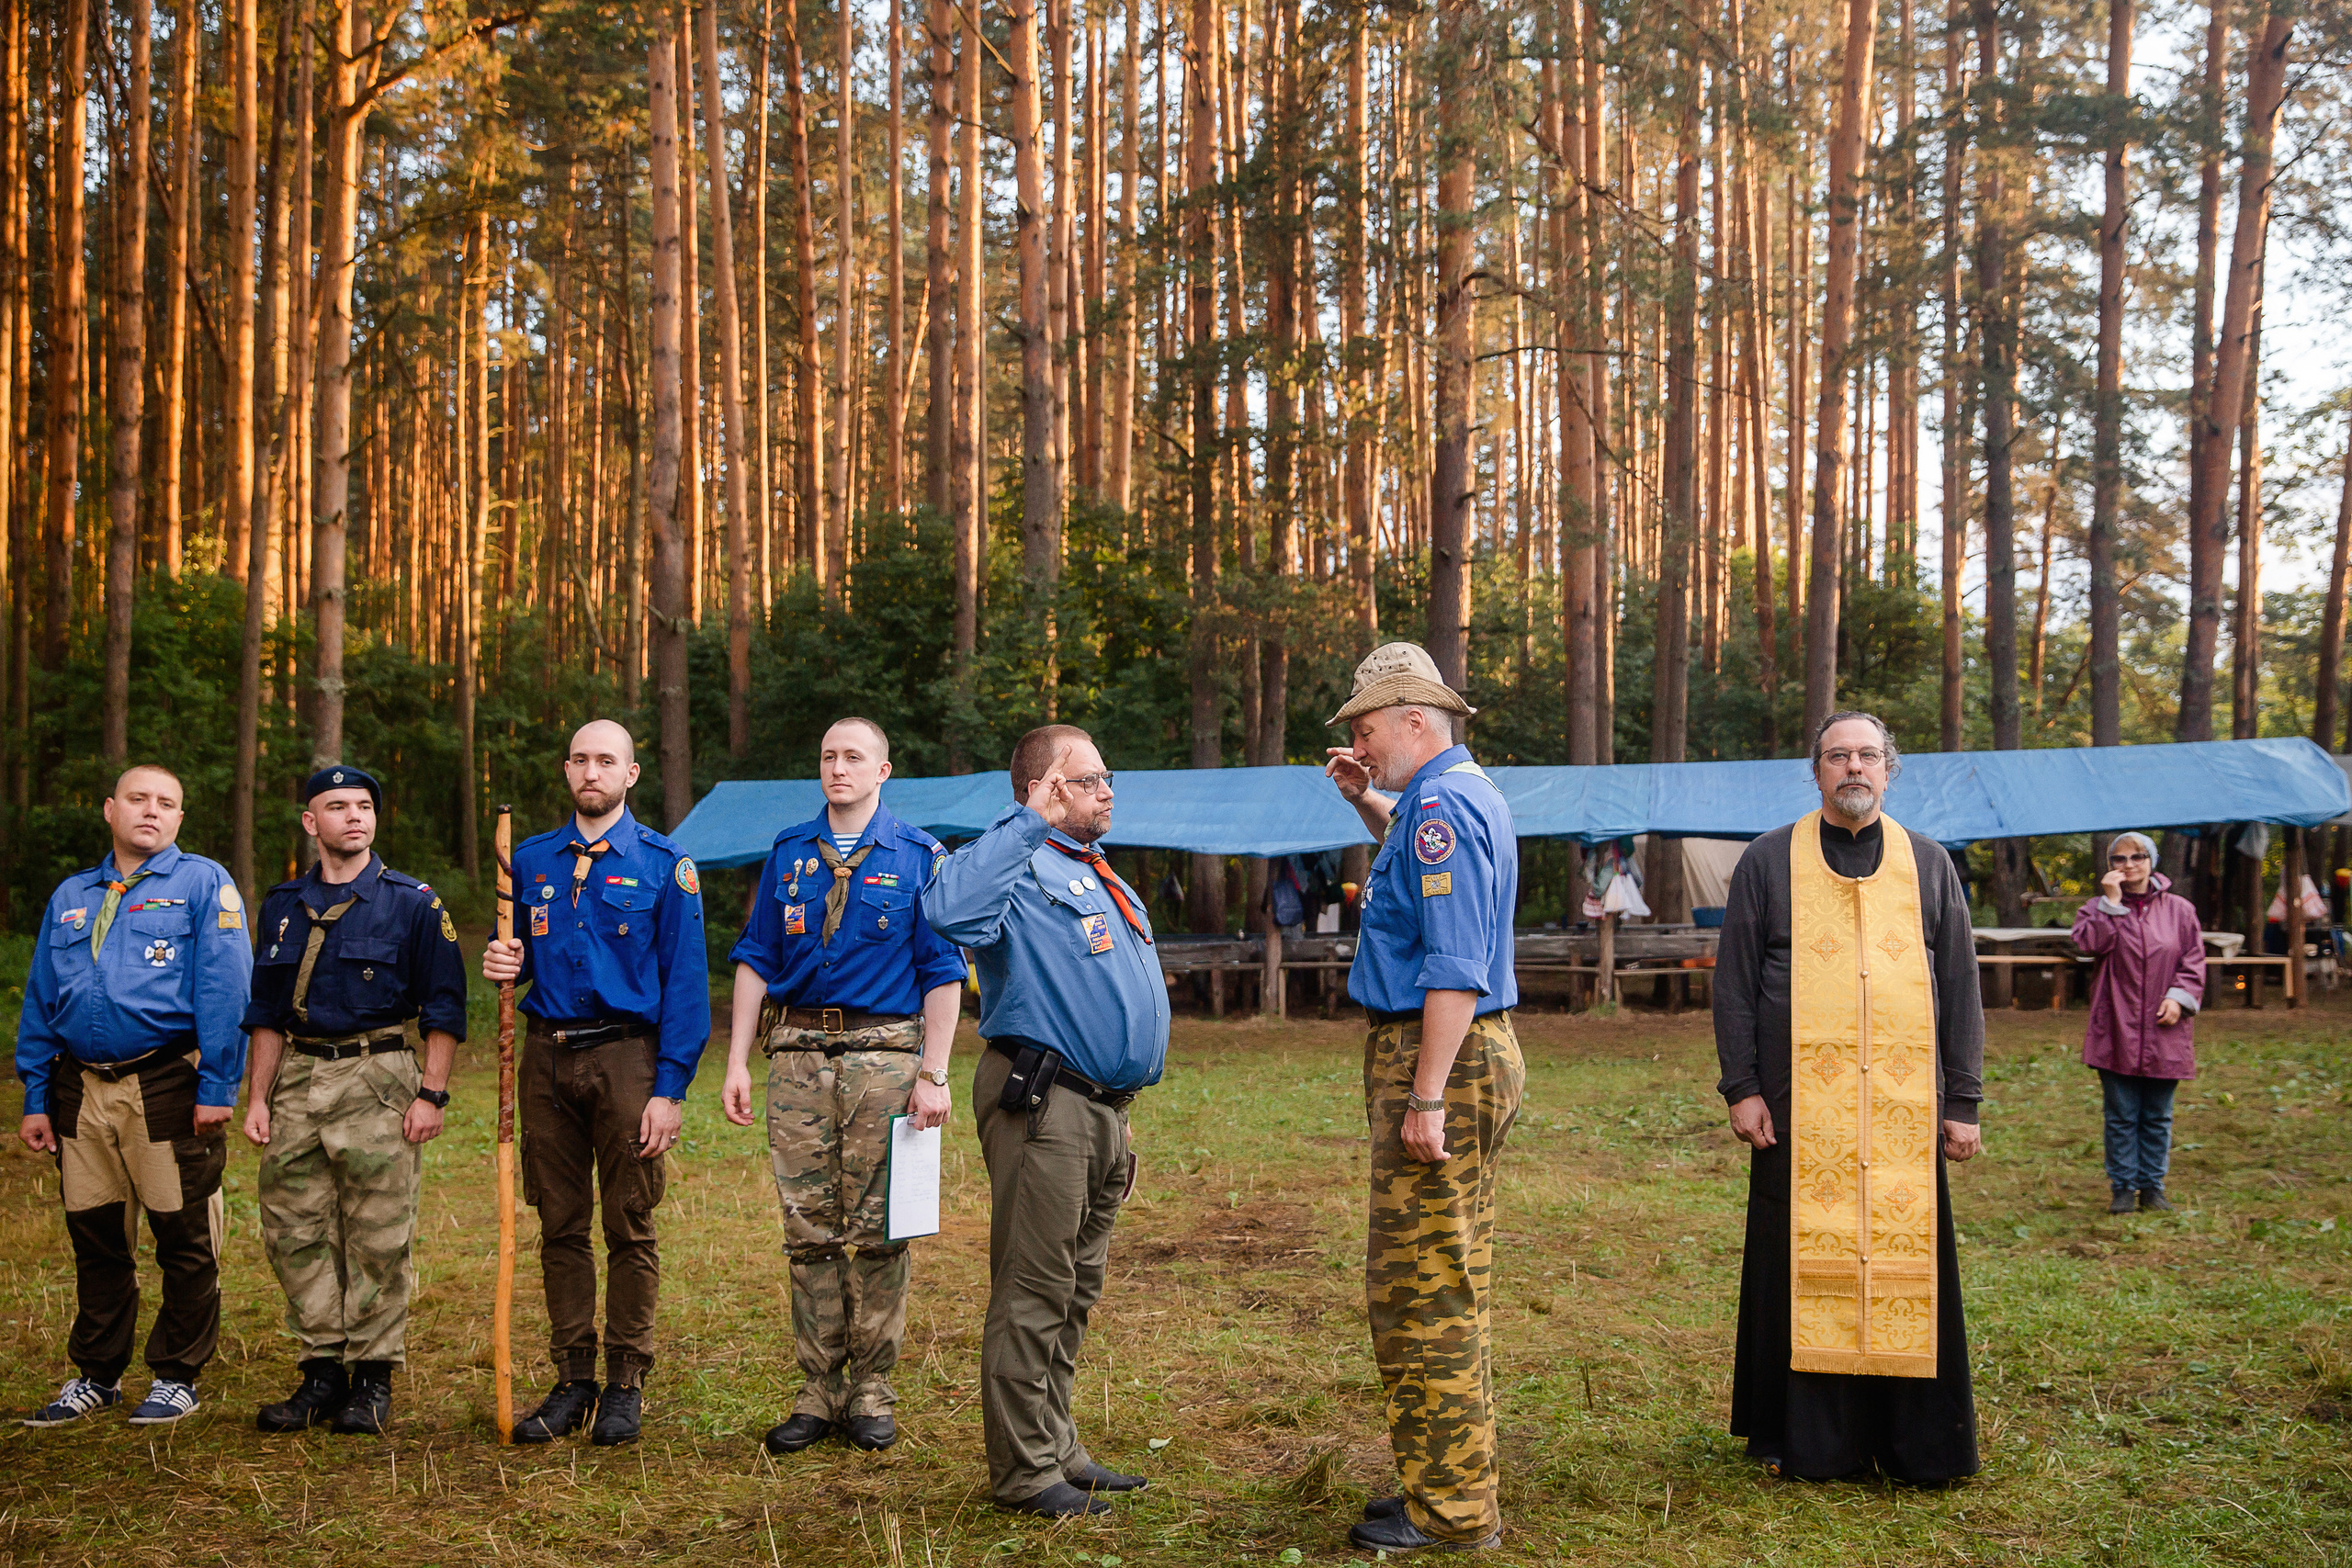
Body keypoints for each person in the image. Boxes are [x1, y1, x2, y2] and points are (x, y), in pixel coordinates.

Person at [1713, 711, 1984, 1484]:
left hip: (1904, 1113)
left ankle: (1913, 1442)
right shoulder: (1768, 861)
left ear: (1889, 770)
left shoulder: (1928, 864)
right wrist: (1743, 1087)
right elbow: (1733, 985)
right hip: (1797, 1110)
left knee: (1909, 1262)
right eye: (1838, 756)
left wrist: (1961, 1099)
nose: (1854, 768)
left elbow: (1960, 984)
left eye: (1868, 755)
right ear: (1817, 770)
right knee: (1792, 1262)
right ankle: (1807, 1439)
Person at [922, 725, 1167, 1518]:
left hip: (1100, 1110)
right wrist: (1027, 818)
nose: (1106, 790)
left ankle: (1058, 1446)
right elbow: (947, 910)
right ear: (1044, 787)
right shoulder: (1013, 859)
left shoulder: (1093, 871)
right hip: (1044, 1102)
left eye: (1106, 776)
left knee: (1075, 1288)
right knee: (1034, 1287)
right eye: (1088, 778)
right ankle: (1026, 1472)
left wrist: (1118, 1111)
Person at [1320, 642, 1522, 1555]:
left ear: (1415, 719)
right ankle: (1447, 1483)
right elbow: (1409, 858)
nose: (1363, 749)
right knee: (1446, 1271)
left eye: (1367, 731)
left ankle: (1448, 1511)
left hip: (1438, 1052)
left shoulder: (1440, 805)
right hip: (1457, 1051)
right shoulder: (1449, 796)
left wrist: (1425, 1097)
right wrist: (1362, 796)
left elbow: (1452, 964)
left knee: (1421, 1287)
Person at [720, 717, 967, 1455]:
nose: (838, 767)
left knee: (883, 1232)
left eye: (853, 756)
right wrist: (735, 1059)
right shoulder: (790, 852)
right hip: (796, 1055)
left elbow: (943, 972)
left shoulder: (920, 856)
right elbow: (755, 958)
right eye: (827, 755)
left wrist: (934, 1073)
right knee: (808, 1230)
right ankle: (818, 1387)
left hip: (883, 1059)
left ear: (883, 770)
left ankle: (872, 1388)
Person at [481, 719, 710, 1447]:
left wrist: (669, 1090)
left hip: (626, 1059)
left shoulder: (665, 865)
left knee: (629, 1221)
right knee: (560, 1222)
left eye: (605, 759)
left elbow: (686, 986)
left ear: (631, 773)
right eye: (579, 757)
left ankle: (624, 1381)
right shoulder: (530, 859)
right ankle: (573, 1376)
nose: (591, 770)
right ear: (566, 767)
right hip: (547, 1056)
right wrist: (502, 961)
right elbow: (519, 950)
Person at [15, 764, 254, 1428]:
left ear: (180, 818)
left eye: (167, 803)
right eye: (138, 798)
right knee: (94, 1236)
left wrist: (217, 1085)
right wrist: (35, 1094)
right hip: (79, 1088)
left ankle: (177, 1373)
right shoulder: (71, 894)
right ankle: (97, 1372)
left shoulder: (203, 883)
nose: (152, 810)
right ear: (109, 810)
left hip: (166, 1081)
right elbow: (41, 998)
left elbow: (226, 988)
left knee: (182, 1235)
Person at [241, 766, 469, 1435]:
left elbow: (446, 1009)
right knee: (293, 1226)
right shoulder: (283, 905)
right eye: (337, 806)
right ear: (311, 822)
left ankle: (371, 1377)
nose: (354, 816)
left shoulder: (414, 903)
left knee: (377, 1233)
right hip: (297, 1080)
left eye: (365, 805)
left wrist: (431, 1092)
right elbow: (265, 1012)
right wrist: (257, 1096)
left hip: (377, 1074)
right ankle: (321, 1369)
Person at [2072, 831, 2204, 1213]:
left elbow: (2193, 960)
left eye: (2138, 857)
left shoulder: (2180, 910)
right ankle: (2123, 1189)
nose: (2129, 865)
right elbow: (2089, 945)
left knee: (2158, 1116)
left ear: (2152, 861)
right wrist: (2112, 906)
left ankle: (2153, 1187)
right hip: (2115, 1026)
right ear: (2110, 865)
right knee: (2121, 1115)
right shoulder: (2096, 908)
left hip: (2166, 1029)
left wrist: (2179, 998)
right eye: (2119, 859)